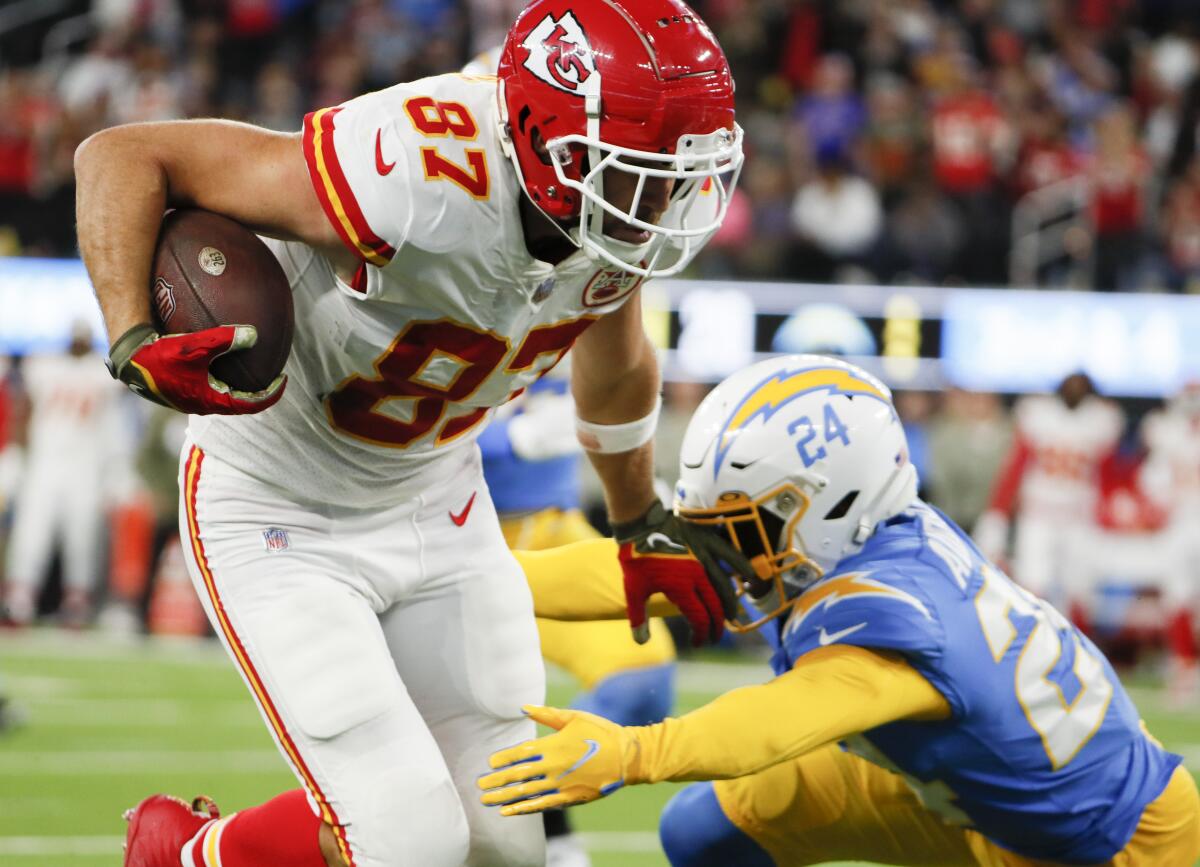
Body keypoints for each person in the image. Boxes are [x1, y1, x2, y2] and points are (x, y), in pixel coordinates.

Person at [72, 1, 747, 865]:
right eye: (639, 170)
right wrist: (132, 336)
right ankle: (189, 854)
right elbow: (125, 155)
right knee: (407, 837)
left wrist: (634, 517)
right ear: (548, 138)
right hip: (280, 505)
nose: (665, 197)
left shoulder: (606, 215)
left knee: (508, 836)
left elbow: (615, 365)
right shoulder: (415, 170)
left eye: (675, 169)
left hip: (437, 495)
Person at [479, 355, 1200, 867]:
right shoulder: (844, 540)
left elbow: (774, 721)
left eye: (740, 526)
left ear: (831, 503)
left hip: (1108, 848)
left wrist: (633, 752)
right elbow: (642, 570)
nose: (717, 548)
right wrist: (474, 579)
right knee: (709, 830)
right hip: (964, 791)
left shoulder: (894, 614)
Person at [479, 369, 677, 867]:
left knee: (641, 679)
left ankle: (554, 836)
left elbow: (607, 403)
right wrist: (502, 435)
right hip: (447, 538)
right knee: (466, 714)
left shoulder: (573, 306)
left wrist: (645, 490)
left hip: (549, 531)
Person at [3, 320, 130, 628]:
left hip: (86, 467)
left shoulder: (101, 374)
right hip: (46, 463)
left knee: (83, 536)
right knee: (32, 533)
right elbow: (26, 409)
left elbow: (114, 426)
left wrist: (115, 470)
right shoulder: (45, 367)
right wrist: (19, 454)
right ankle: (19, 599)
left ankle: (77, 602)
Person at [973, 371, 1124, 623]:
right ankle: (1031, 650)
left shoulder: (1101, 419)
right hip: (1039, 515)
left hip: (1079, 518)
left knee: (1080, 589)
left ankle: (1080, 654)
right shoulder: (1039, 415)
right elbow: (1016, 468)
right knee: (1032, 585)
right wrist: (997, 513)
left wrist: (1105, 520)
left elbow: (1107, 478)